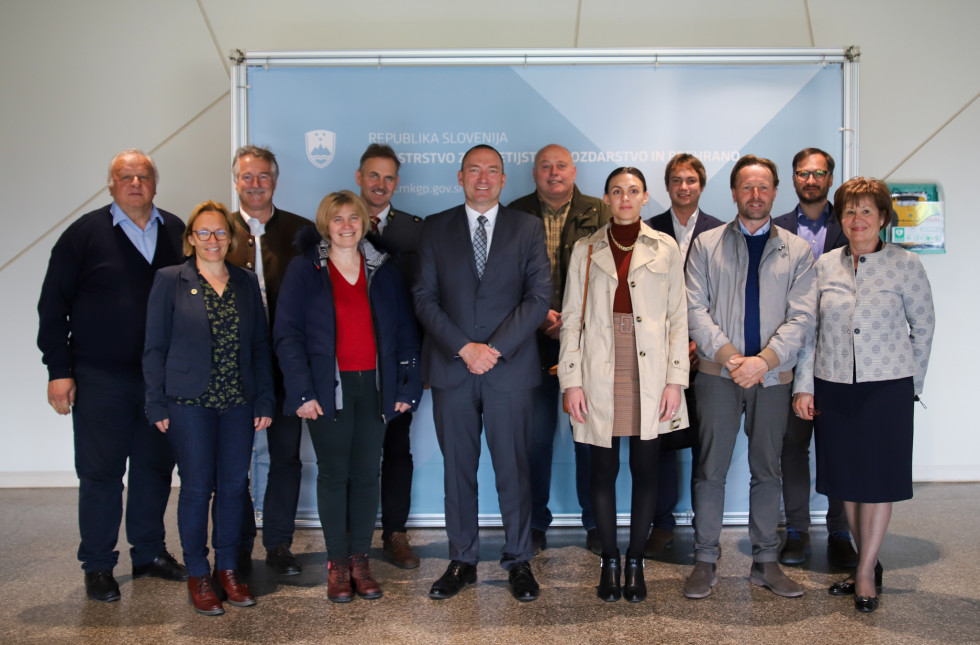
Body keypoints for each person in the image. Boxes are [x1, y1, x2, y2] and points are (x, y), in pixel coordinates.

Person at [37, 149, 188, 603]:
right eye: (126, 176)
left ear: (155, 184)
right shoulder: (83, 236)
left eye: (143, 176)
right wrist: (58, 371)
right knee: (101, 473)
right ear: (111, 185)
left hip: (161, 379)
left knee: (155, 468)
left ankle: (148, 553)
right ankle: (99, 565)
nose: (135, 183)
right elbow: (52, 307)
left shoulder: (178, 231)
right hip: (100, 375)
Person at [413, 145, 550, 602]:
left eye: (492, 170)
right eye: (474, 170)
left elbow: (538, 297)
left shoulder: (528, 227)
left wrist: (492, 349)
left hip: (508, 370)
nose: (483, 178)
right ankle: (462, 560)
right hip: (453, 368)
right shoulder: (435, 228)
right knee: (458, 469)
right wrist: (464, 348)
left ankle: (518, 560)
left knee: (514, 467)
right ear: (460, 177)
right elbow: (424, 298)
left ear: (504, 179)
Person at [793, 177, 935, 614]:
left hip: (887, 388)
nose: (858, 220)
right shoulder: (824, 267)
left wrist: (911, 385)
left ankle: (866, 570)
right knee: (848, 483)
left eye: (867, 211)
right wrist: (804, 385)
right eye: (850, 211)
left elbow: (924, 327)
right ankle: (865, 565)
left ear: (883, 218)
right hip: (834, 385)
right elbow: (809, 333)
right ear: (841, 217)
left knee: (877, 483)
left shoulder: (906, 265)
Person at [274, 190, 422, 603]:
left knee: (366, 474)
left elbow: (406, 333)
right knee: (334, 474)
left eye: (352, 218)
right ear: (326, 224)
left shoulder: (383, 268)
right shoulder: (306, 269)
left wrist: (407, 386)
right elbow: (287, 335)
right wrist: (302, 390)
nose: (345, 226)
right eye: (337, 219)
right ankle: (338, 564)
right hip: (327, 390)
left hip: (375, 387)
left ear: (364, 223)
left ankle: (360, 559)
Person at [684, 155, 816, 599]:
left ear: (775, 192)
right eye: (746, 187)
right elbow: (693, 309)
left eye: (763, 187)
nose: (755, 195)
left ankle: (765, 561)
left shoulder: (797, 251)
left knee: (768, 470)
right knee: (710, 470)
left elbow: (802, 317)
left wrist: (766, 360)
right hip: (718, 375)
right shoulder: (705, 245)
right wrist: (732, 358)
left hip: (772, 378)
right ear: (734, 193)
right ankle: (705, 560)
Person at [559, 167, 689, 603]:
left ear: (646, 197)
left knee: (646, 468)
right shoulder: (586, 248)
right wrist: (571, 382)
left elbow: (677, 321)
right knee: (603, 469)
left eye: (633, 191)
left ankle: (636, 560)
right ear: (607, 198)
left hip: (649, 369)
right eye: (617, 191)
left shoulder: (665, 247)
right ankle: (609, 559)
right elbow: (572, 322)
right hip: (600, 364)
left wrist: (675, 380)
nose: (625, 198)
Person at [144, 200, 274, 616]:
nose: (213, 240)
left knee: (235, 487)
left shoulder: (245, 281)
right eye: (204, 232)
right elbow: (154, 347)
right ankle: (199, 573)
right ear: (190, 239)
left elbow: (258, 346)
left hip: (238, 401)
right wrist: (156, 402)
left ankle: (228, 570)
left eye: (220, 232)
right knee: (198, 488)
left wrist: (265, 398)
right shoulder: (170, 280)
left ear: (231, 238)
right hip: (189, 403)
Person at [509, 143, 610, 555]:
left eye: (561, 166)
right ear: (534, 172)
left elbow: (611, 278)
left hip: (585, 342)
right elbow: (501, 277)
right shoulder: (514, 213)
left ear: (574, 169)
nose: (554, 173)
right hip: (528, 343)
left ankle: (595, 522)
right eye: (546, 166)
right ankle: (534, 522)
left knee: (588, 435)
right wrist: (539, 317)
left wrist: (573, 320)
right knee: (533, 439)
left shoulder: (600, 213)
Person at [225, 145, 313, 576]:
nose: (255, 184)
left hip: (285, 366)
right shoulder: (216, 231)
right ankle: (237, 543)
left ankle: (278, 544)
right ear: (236, 181)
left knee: (286, 458)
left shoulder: (301, 231)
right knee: (233, 461)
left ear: (274, 181)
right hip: (231, 368)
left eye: (263, 176)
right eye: (247, 176)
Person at [772, 148, 857, 569]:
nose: (811, 179)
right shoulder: (776, 228)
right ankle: (796, 531)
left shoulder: (851, 227)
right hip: (790, 355)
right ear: (793, 178)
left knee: (837, 447)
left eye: (819, 173)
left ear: (830, 178)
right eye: (804, 173)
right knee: (792, 448)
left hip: (841, 358)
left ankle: (840, 532)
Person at [643, 153, 723, 558]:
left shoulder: (722, 232)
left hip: (705, 358)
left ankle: (704, 527)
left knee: (705, 446)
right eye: (677, 180)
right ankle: (662, 524)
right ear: (668, 186)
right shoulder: (648, 229)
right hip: (659, 359)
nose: (684, 187)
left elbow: (723, 298)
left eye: (691, 180)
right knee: (662, 444)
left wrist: (699, 343)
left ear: (701, 185)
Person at [355, 143, 426, 569]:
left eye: (388, 178)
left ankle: (395, 533)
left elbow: (425, 297)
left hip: (399, 359)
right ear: (359, 177)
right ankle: (353, 537)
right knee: (353, 451)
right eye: (373, 176)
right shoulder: (337, 223)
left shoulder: (415, 231)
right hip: (350, 360)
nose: (380, 185)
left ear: (396, 183)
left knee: (397, 447)